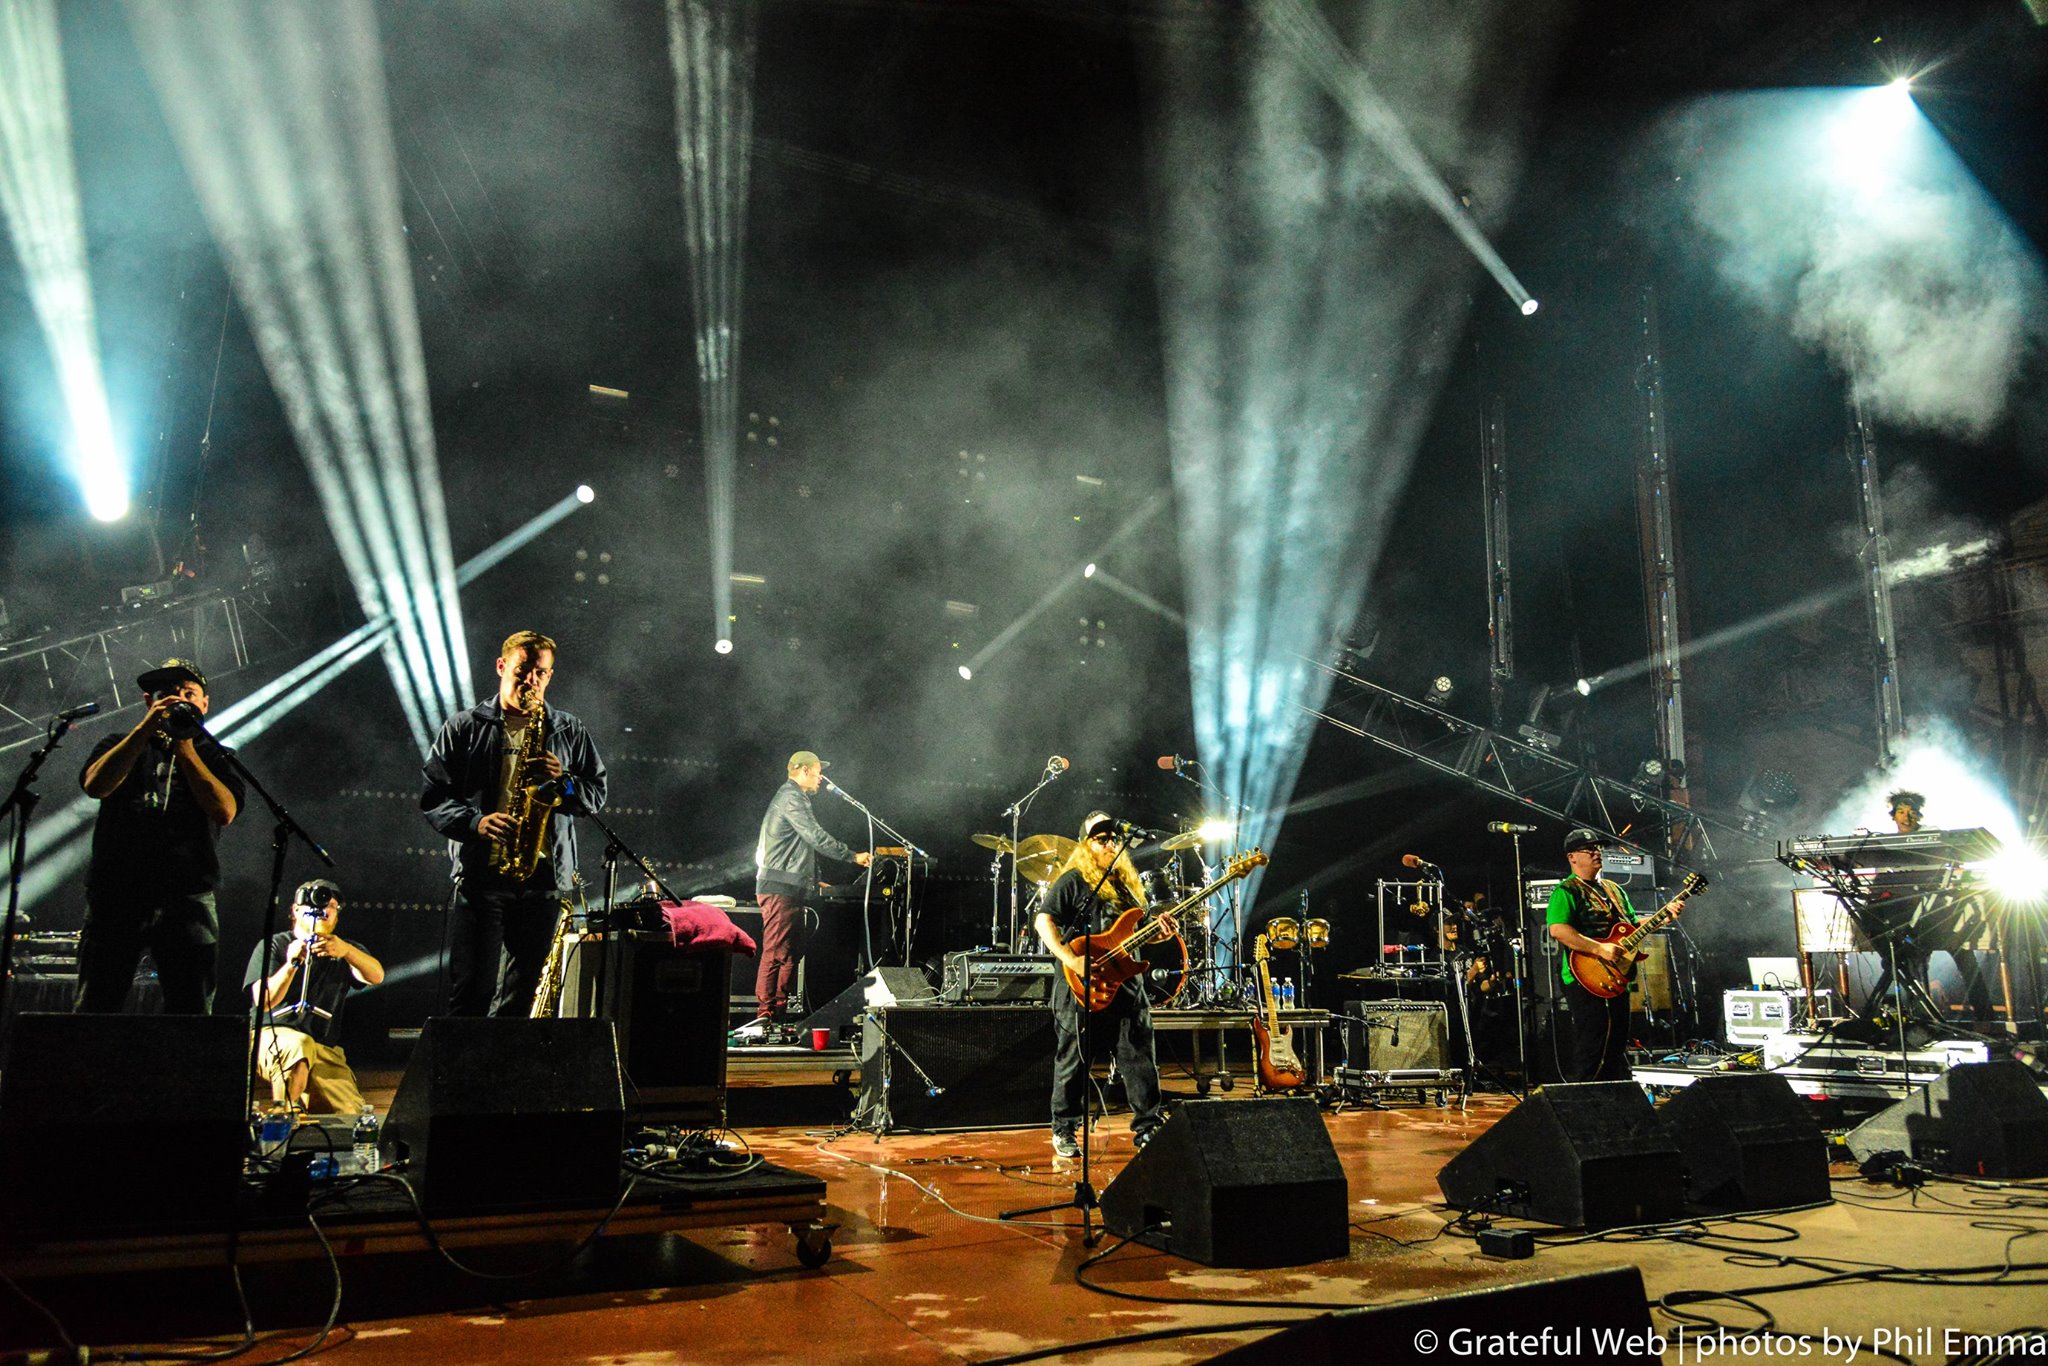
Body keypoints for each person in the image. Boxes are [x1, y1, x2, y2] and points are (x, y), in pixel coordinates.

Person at [421, 630, 607, 1016]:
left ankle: (503, 1074)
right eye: (523, 671)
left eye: (541, 673)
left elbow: (596, 793)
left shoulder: (567, 729)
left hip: (542, 879)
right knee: (473, 989)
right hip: (482, 877)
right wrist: (475, 823)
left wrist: (564, 783)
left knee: (523, 996)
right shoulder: (464, 726)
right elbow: (434, 796)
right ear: (502, 666)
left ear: (550, 675)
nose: (531, 681)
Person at [75, 658, 243, 1013]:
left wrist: (185, 747)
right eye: (167, 693)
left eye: (188, 693)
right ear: (149, 702)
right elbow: (96, 785)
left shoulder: (216, 755)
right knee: (96, 1004)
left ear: (204, 704)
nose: (178, 699)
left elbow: (224, 811)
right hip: (117, 893)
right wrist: (145, 732)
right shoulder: (118, 742)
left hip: (187, 895)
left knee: (191, 1009)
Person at [1033, 811, 1164, 1158]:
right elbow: (1044, 921)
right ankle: (1064, 1129)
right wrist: (1070, 958)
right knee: (1074, 1059)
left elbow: (1137, 934)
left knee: (1138, 1054)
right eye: (1100, 837)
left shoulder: (1128, 886)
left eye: (1114, 837)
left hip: (1126, 984)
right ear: (1085, 844)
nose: (1110, 843)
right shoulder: (1074, 879)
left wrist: (1159, 932)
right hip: (1079, 980)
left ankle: (1148, 1127)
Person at [746, 751, 871, 1037]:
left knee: (791, 953)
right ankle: (763, 1018)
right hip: (779, 887)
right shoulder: (791, 797)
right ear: (802, 771)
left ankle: (777, 1015)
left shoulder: (795, 798)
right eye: (817, 772)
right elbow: (813, 836)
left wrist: (815, 882)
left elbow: (798, 847)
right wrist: (852, 856)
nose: (821, 778)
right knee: (776, 951)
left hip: (792, 886)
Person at [246, 879, 384, 1112]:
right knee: (300, 1045)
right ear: (295, 910)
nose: (323, 910)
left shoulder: (345, 948)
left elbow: (376, 976)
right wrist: (291, 964)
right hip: (270, 1036)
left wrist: (348, 952)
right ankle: (281, 1117)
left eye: (330, 905)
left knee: (351, 1114)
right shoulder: (274, 945)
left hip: (322, 1048)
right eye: (314, 904)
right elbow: (264, 1001)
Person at [1544, 828, 1659, 1083]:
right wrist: (1599, 948)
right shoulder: (1567, 891)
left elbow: (1631, 925)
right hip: (1584, 975)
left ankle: (1616, 1094)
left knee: (1617, 1039)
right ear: (1572, 857)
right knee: (1593, 1040)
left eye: (1599, 849)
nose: (1598, 853)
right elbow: (1559, 930)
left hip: (1617, 974)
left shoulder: (1614, 889)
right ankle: (1585, 1098)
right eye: (1590, 849)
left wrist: (1660, 918)